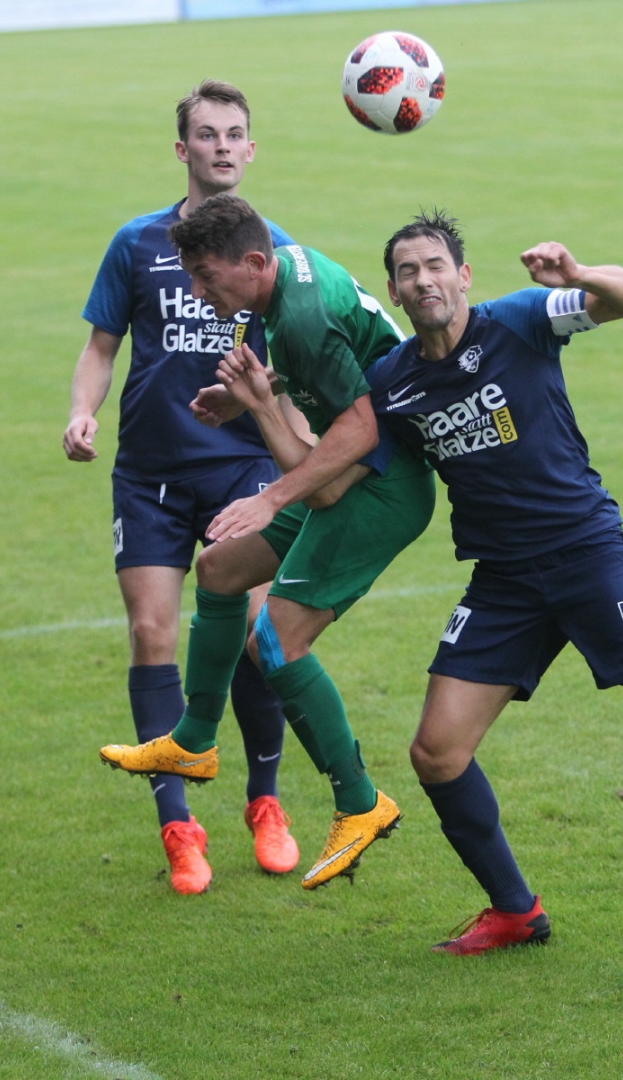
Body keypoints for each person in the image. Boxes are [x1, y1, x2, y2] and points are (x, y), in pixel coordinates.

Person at [364, 209, 623, 955]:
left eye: (435, 266)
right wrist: (262, 405)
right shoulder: (391, 383)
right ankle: (515, 912)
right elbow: (342, 463)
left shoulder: (521, 320)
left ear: (463, 277)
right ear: (394, 292)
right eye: (407, 271)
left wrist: (581, 274)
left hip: (588, 556)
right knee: (436, 752)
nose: (423, 280)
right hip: (503, 583)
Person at [98, 194, 436, 890]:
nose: (198, 292)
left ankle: (360, 803)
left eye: (205, 276)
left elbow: (345, 456)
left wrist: (269, 486)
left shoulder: (299, 316)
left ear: (253, 262)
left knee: (277, 642)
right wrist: (254, 392)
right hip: (360, 461)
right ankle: (194, 742)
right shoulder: (292, 276)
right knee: (220, 570)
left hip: (381, 486)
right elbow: (330, 360)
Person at [64, 82, 302, 895]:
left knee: (256, 635)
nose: (222, 146)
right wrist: (82, 412)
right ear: (183, 150)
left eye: (235, 134)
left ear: (251, 149)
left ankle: (265, 802)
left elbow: (299, 361)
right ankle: (178, 824)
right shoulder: (136, 243)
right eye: (207, 134)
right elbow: (101, 346)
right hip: (150, 473)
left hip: (243, 469)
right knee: (151, 632)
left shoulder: (276, 254)